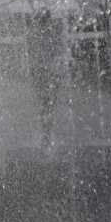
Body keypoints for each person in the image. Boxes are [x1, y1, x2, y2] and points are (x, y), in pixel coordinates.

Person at [26, 9, 64, 150]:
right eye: (40, 20)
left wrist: (56, 75)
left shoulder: (53, 36)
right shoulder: (32, 36)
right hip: (40, 75)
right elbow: (31, 57)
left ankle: (46, 136)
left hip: (51, 76)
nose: (42, 23)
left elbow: (59, 56)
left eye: (44, 20)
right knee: (44, 106)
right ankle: (45, 136)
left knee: (48, 107)